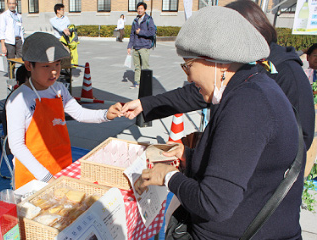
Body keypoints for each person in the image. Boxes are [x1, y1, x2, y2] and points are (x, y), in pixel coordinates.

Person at [128, 6, 305, 239]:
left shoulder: (248, 104)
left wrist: (169, 177)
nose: (187, 76)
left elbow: (215, 203)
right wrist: (188, 156)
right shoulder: (251, 86)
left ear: (215, 62)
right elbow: (240, 166)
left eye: (188, 65)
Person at [122, 0, 315, 152]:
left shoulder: (286, 71)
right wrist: (144, 105)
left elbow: (301, 137)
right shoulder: (236, 65)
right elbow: (193, 94)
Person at [6, 32, 122, 189]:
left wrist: (105, 114)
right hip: (33, 175)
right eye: (46, 66)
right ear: (28, 66)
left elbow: (79, 113)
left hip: (60, 164)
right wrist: (46, 177)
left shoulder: (59, 89)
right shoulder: (19, 99)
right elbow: (17, 146)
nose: (54, 71)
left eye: (57, 64)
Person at [127, 2, 156, 89]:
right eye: (138, 9)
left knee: (145, 66)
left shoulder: (149, 19)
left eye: (141, 9)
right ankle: (137, 83)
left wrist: (141, 32)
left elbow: (152, 32)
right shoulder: (135, 20)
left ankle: (146, 84)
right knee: (137, 66)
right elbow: (132, 34)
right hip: (136, 46)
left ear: (145, 10)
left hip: (144, 46)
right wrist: (129, 46)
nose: (139, 10)